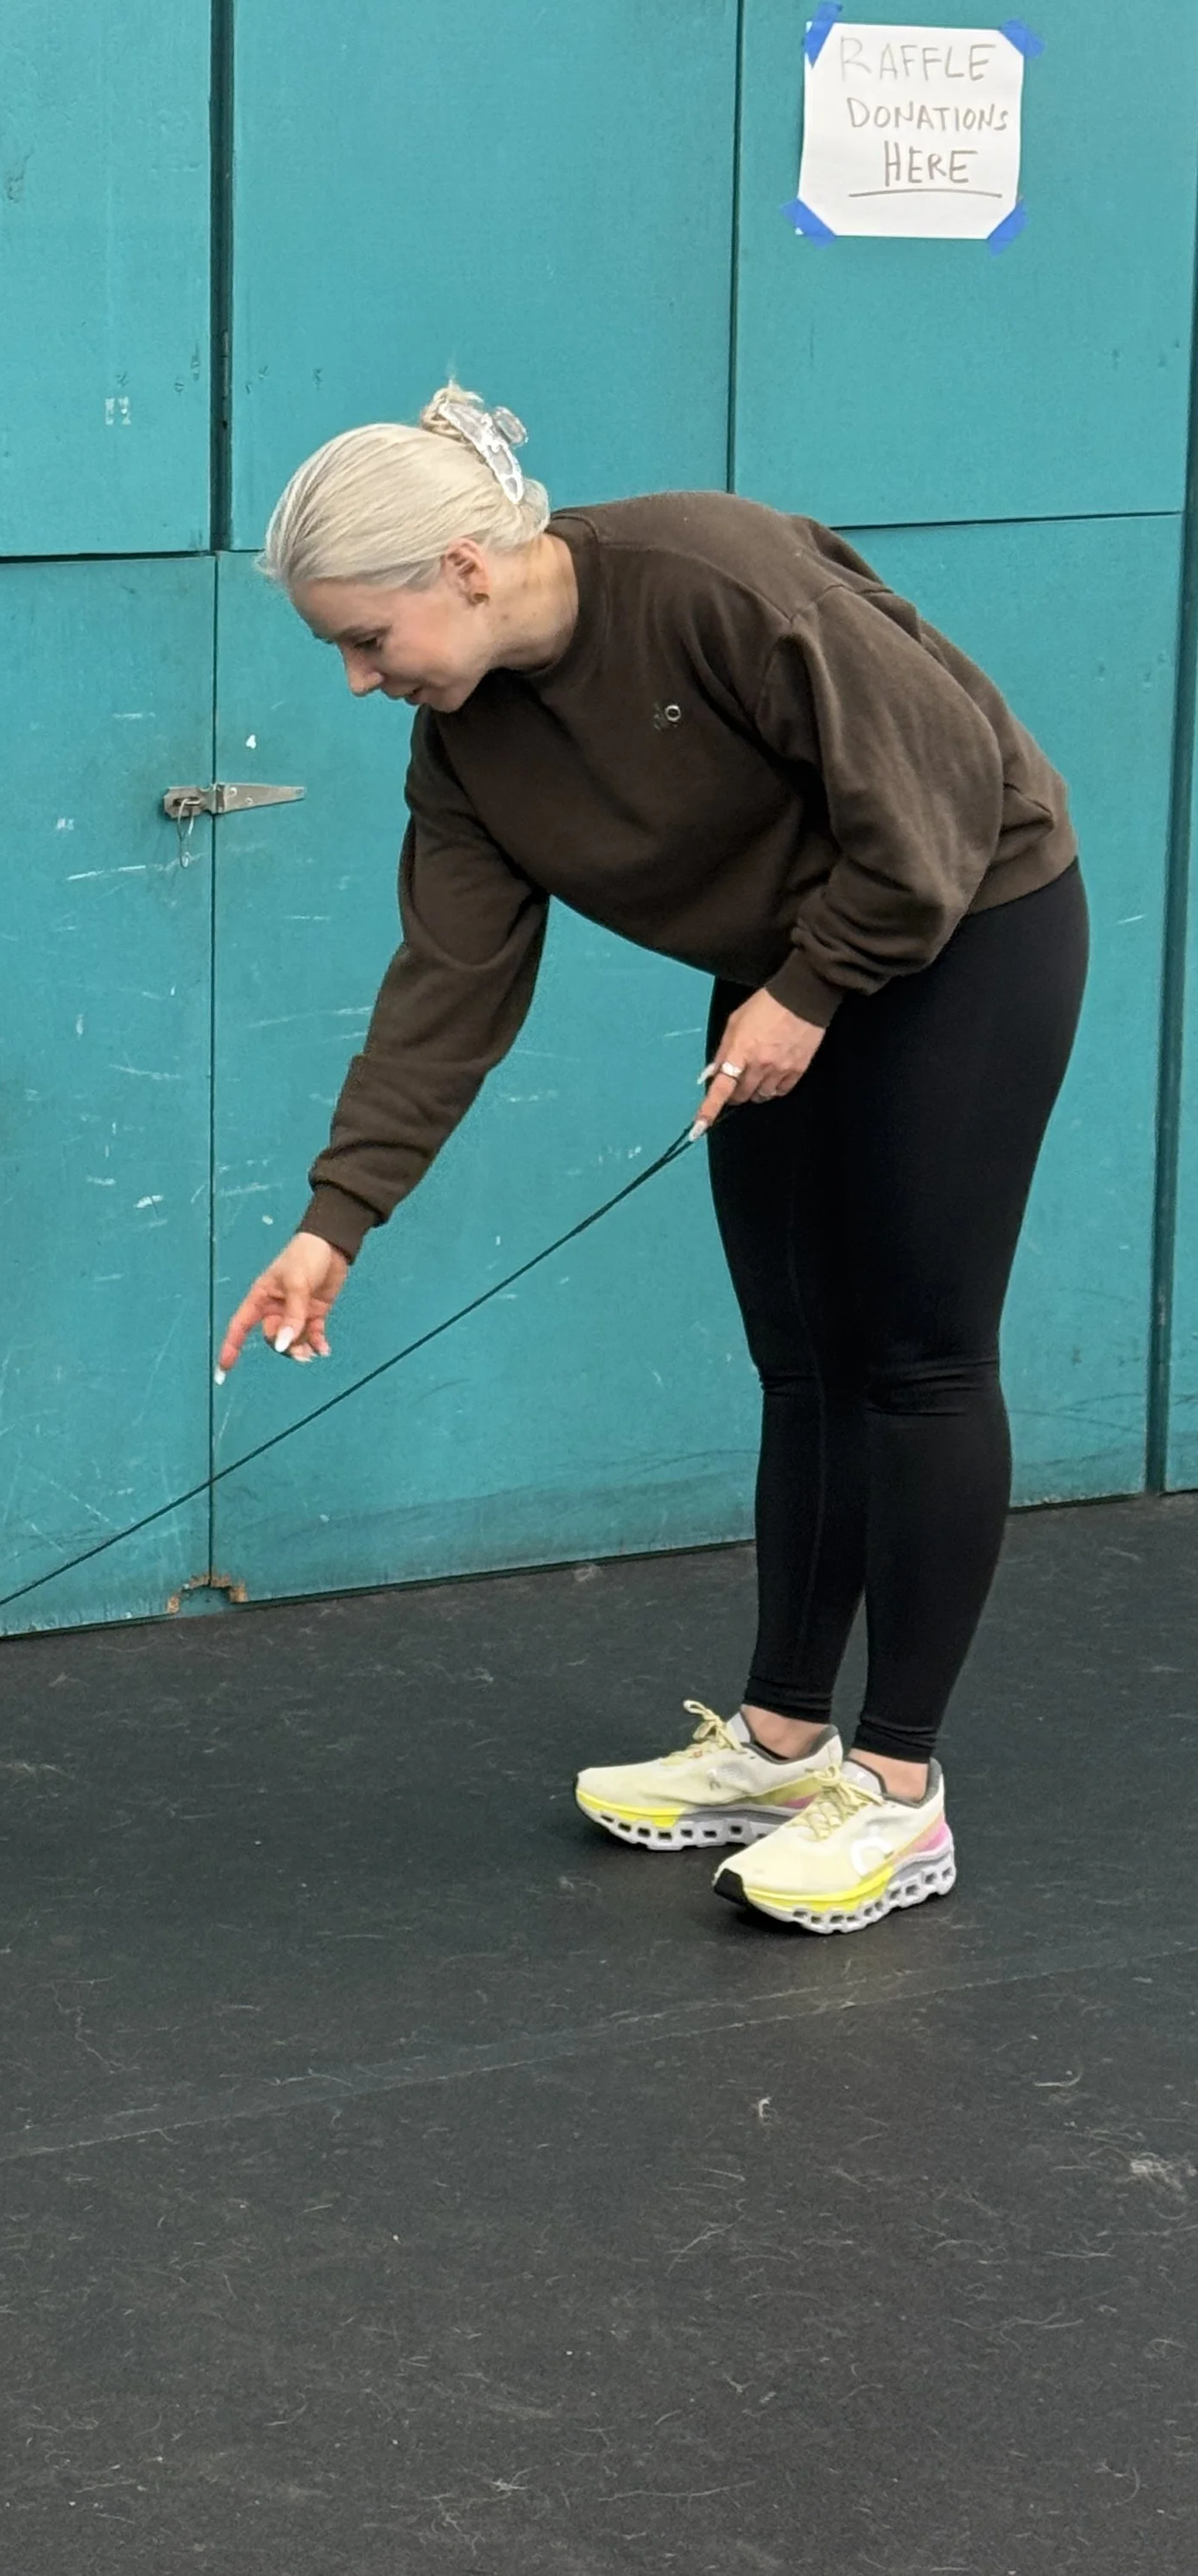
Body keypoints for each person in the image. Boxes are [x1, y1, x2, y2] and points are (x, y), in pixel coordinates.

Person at [217, 384, 1087, 1936]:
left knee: (919, 1358)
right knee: (802, 1361)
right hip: (783, 975)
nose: (357, 681)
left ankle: (898, 1797)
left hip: (965, 929)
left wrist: (811, 990)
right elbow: (447, 989)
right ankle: (779, 1743)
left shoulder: (717, 581)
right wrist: (334, 1222)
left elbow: (943, 799)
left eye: (365, 640)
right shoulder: (461, 746)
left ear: (466, 571)